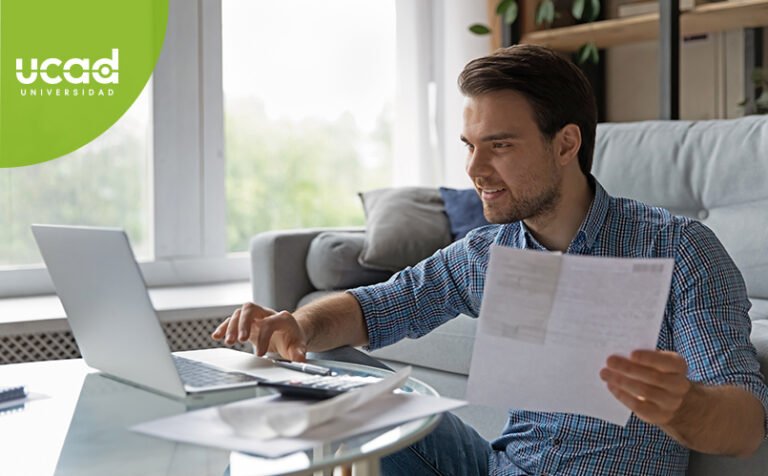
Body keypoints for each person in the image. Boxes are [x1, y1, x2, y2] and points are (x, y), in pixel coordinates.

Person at [212, 45, 768, 475]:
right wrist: (298, 323)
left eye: (499, 145)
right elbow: (377, 306)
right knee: (353, 396)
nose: (475, 170)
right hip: (493, 468)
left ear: (566, 145)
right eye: (469, 145)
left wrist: (682, 406)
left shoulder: (678, 249)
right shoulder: (489, 251)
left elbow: (746, 427)